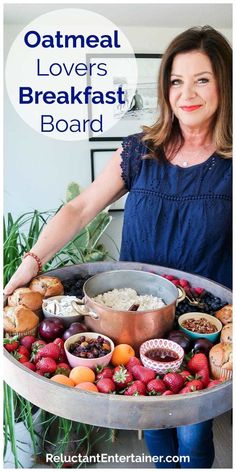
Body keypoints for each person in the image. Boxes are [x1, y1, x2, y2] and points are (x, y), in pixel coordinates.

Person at [4, 26, 232, 468]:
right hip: (131, 316)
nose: (188, 93)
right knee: (151, 422)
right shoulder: (138, 152)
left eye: (202, 79)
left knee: (192, 430)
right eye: (176, 80)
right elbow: (80, 207)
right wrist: (30, 262)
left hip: (199, 324)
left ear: (224, 85)